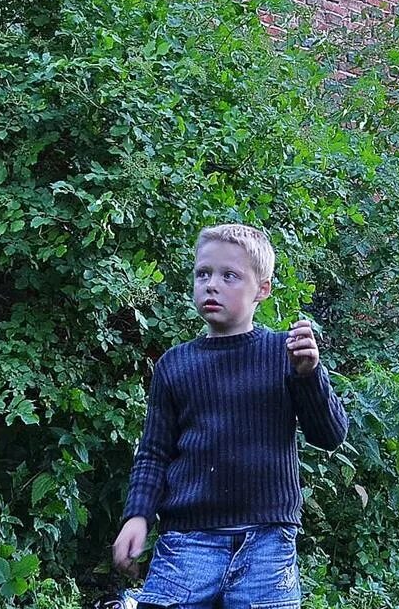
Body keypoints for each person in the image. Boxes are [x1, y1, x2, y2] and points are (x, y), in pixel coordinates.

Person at [112, 223, 349, 608]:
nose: (211, 284)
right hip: (187, 545)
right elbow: (154, 453)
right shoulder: (175, 364)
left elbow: (330, 435)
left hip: (267, 546)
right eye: (203, 273)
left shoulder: (284, 353)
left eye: (229, 276)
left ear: (263, 289)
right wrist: (137, 515)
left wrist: (309, 375)